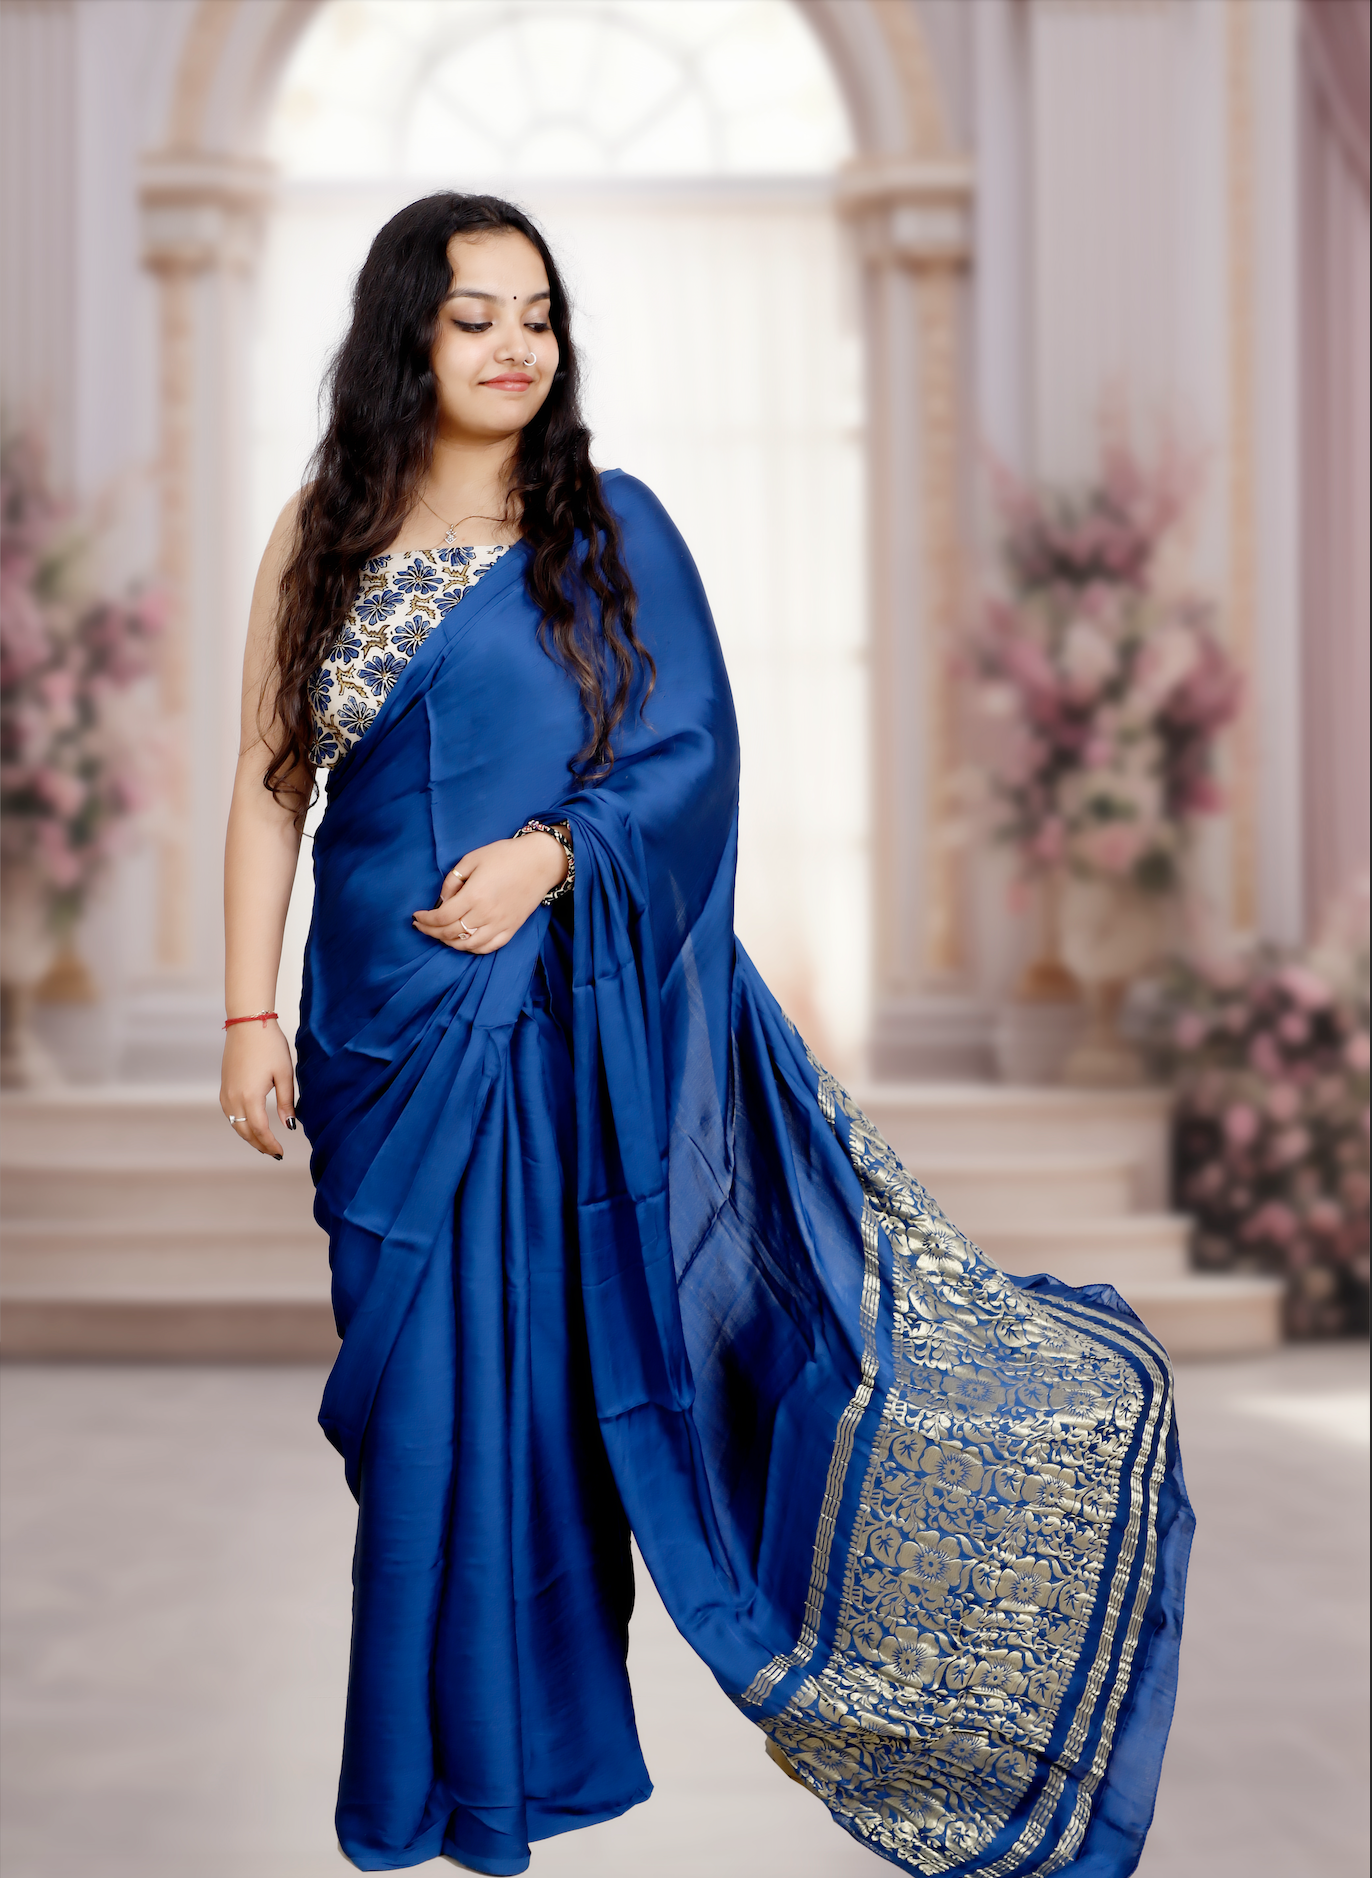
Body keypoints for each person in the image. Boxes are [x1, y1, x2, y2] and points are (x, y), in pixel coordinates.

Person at [220, 193, 1192, 1878]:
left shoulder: (611, 531)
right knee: (416, 1424)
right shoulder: (319, 533)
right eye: (474, 316)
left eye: (539, 314)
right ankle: (418, 1783)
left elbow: (687, 760)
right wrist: (247, 1010)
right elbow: (269, 784)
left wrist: (551, 856)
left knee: (531, 1419)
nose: (516, 345)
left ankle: (512, 1787)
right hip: (382, 1038)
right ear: (405, 337)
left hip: (547, 1042)